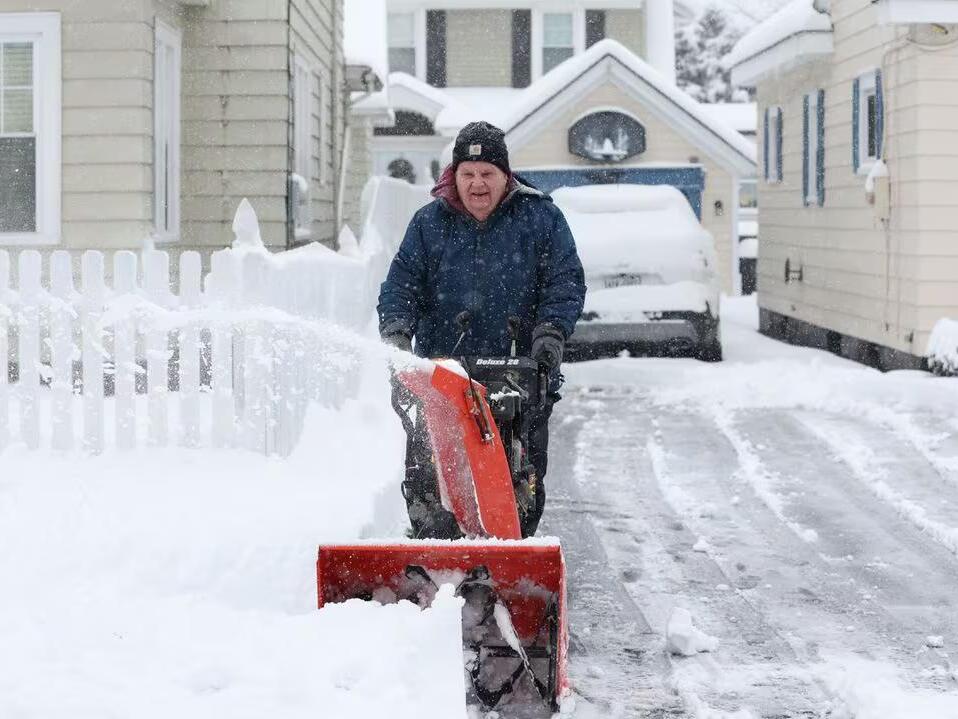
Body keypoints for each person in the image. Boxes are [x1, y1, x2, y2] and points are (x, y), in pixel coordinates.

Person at [377, 120, 586, 537]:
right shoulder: (429, 224)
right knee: (433, 473)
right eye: (468, 173)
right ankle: (435, 548)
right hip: (444, 374)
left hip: (519, 372)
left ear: (505, 175)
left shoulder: (540, 219)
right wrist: (398, 333)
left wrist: (549, 334)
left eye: (487, 173)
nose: (477, 184)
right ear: (453, 176)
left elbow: (564, 282)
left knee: (517, 478)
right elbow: (401, 285)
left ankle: (511, 546)